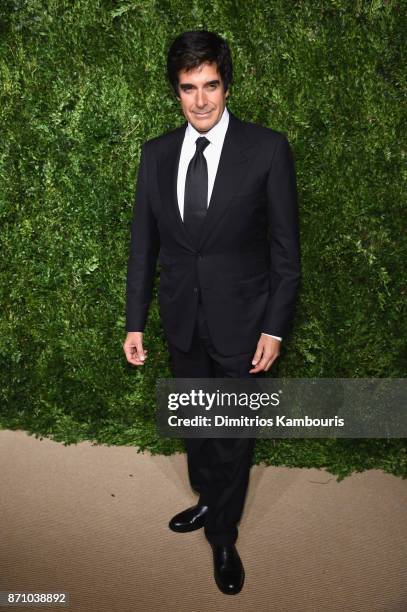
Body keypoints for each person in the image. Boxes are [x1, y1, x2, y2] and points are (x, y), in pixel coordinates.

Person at [123, 30, 301, 595]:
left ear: (226, 85)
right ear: (175, 92)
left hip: (245, 324)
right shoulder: (155, 155)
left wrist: (275, 326)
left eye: (211, 85)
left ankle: (223, 534)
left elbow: (286, 254)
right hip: (181, 321)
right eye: (188, 88)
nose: (201, 100)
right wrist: (135, 320)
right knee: (198, 426)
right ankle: (207, 501)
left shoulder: (267, 149)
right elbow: (143, 248)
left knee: (232, 433)